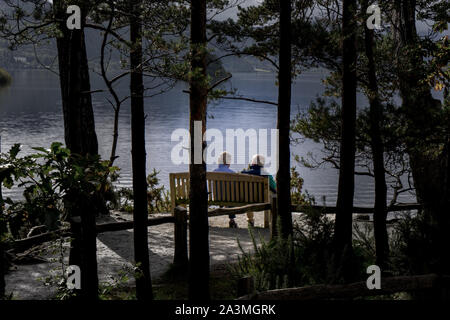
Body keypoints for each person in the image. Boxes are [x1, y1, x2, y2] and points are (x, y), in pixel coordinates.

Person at [242, 154, 276, 227]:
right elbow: (274, 188)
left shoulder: (244, 174)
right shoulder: (266, 175)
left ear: (252, 163)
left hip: (249, 198)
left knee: (249, 198)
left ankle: (250, 220)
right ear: (262, 164)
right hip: (264, 199)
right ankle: (269, 221)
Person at [213, 151, 238, 228]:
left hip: (217, 198)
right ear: (229, 162)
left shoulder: (214, 172)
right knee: (231, 196)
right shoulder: (233, 173)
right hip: (229, 199)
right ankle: (232, 220)